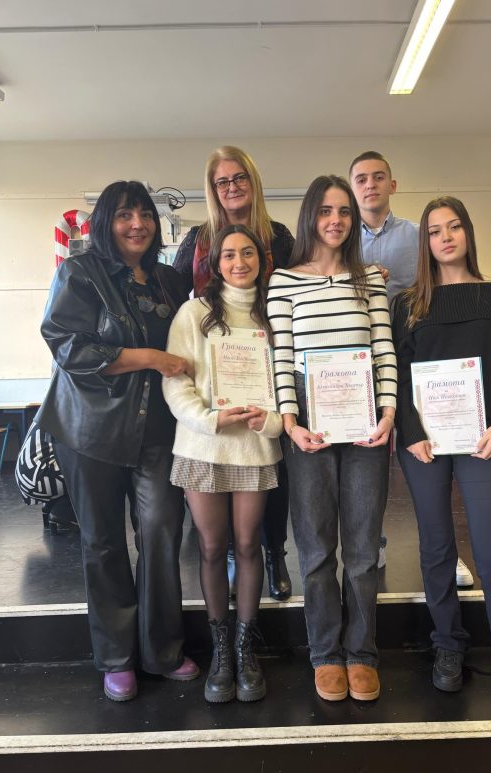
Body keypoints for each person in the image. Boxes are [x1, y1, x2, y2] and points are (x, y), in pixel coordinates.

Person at [392, 195, 491, 733]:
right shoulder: (408, 304)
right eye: (435, 230)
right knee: (436, 548)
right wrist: (411, 432)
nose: (445, 236)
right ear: (425, 242)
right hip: (425, 445)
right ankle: (447, 645)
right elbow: (398, 380)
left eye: (454, 226)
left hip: (483, 440)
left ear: (468, 233)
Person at [36, 181, 199, 702]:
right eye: (125, 214)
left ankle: (162, 651)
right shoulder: (79, 272)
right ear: (105, 222)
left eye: (145, 214)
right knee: (103, 543)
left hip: (158, 432)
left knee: (161, 532)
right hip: (90, 430)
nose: (137, 224)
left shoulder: (170, 280)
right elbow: (68, 346)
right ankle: (116, 657)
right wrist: (150, 358)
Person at [267, 175, 397, 702]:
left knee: (363, 548)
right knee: (316, 545)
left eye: (344, 211)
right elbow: (281, 357)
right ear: (309, 217)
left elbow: (384, 348)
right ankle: (325, 652)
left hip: (365, 424)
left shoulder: (370, 281)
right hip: (309, 427)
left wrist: (389, 412)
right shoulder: (283, 281)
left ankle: (362, 652)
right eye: (325, 211)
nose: (336, 220)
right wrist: (290, 422)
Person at [163, 224, 283, 703]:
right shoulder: (193, 313)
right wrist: (209, 418)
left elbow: (288, 383)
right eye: (229, 254)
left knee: (250, 545)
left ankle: (245, 648)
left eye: (247, 253)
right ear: (215, 263)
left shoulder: (273, 313)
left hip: (254, 448)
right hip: (202, 446)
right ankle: (220, 651)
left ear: (261, 260)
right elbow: (175, 382)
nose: (239, 262)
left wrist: (271, 421)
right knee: (212, 548)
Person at [174, 145, 293, 601]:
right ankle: (233, 561)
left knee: (272, 474)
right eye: (221, 181)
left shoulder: (279, 236)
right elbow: (173, 294)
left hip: (266, 369)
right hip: (213, 381)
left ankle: (274, 552)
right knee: (218, 528)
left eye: (239, 177)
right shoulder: (197, 240)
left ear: (253, 181)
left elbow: (302, 282)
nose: (231, 187)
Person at [349, 150, 474, 588]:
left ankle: (448, 554)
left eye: (378, 177)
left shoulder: (418, 236)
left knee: (435, 457)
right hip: (359, 362)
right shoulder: (341, 240)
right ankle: (374, 543)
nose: (370, 185)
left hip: (416, 359)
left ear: (392, 185)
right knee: (367, 463)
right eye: (361, 179)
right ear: (352, 188)